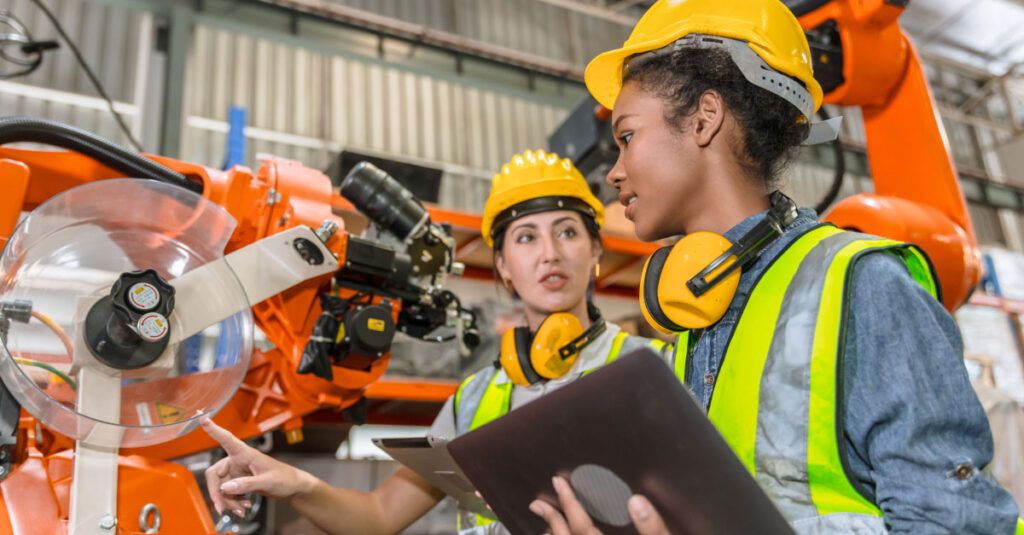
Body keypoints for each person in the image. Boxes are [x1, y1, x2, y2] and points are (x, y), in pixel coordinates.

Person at [530, 0, 1024, 534]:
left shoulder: (865, 287)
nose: (616, 173)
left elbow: (958, 524)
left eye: (627, 137)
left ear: (704, 118)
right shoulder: (699, 316)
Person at [200, 149, 670, 535]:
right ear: (503, 265)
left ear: (595, 254)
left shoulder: (651, 370)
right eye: (526, 237)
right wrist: (295, 483)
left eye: (567, 232)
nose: (550, 253)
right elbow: (380, 516)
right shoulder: (476, 397)